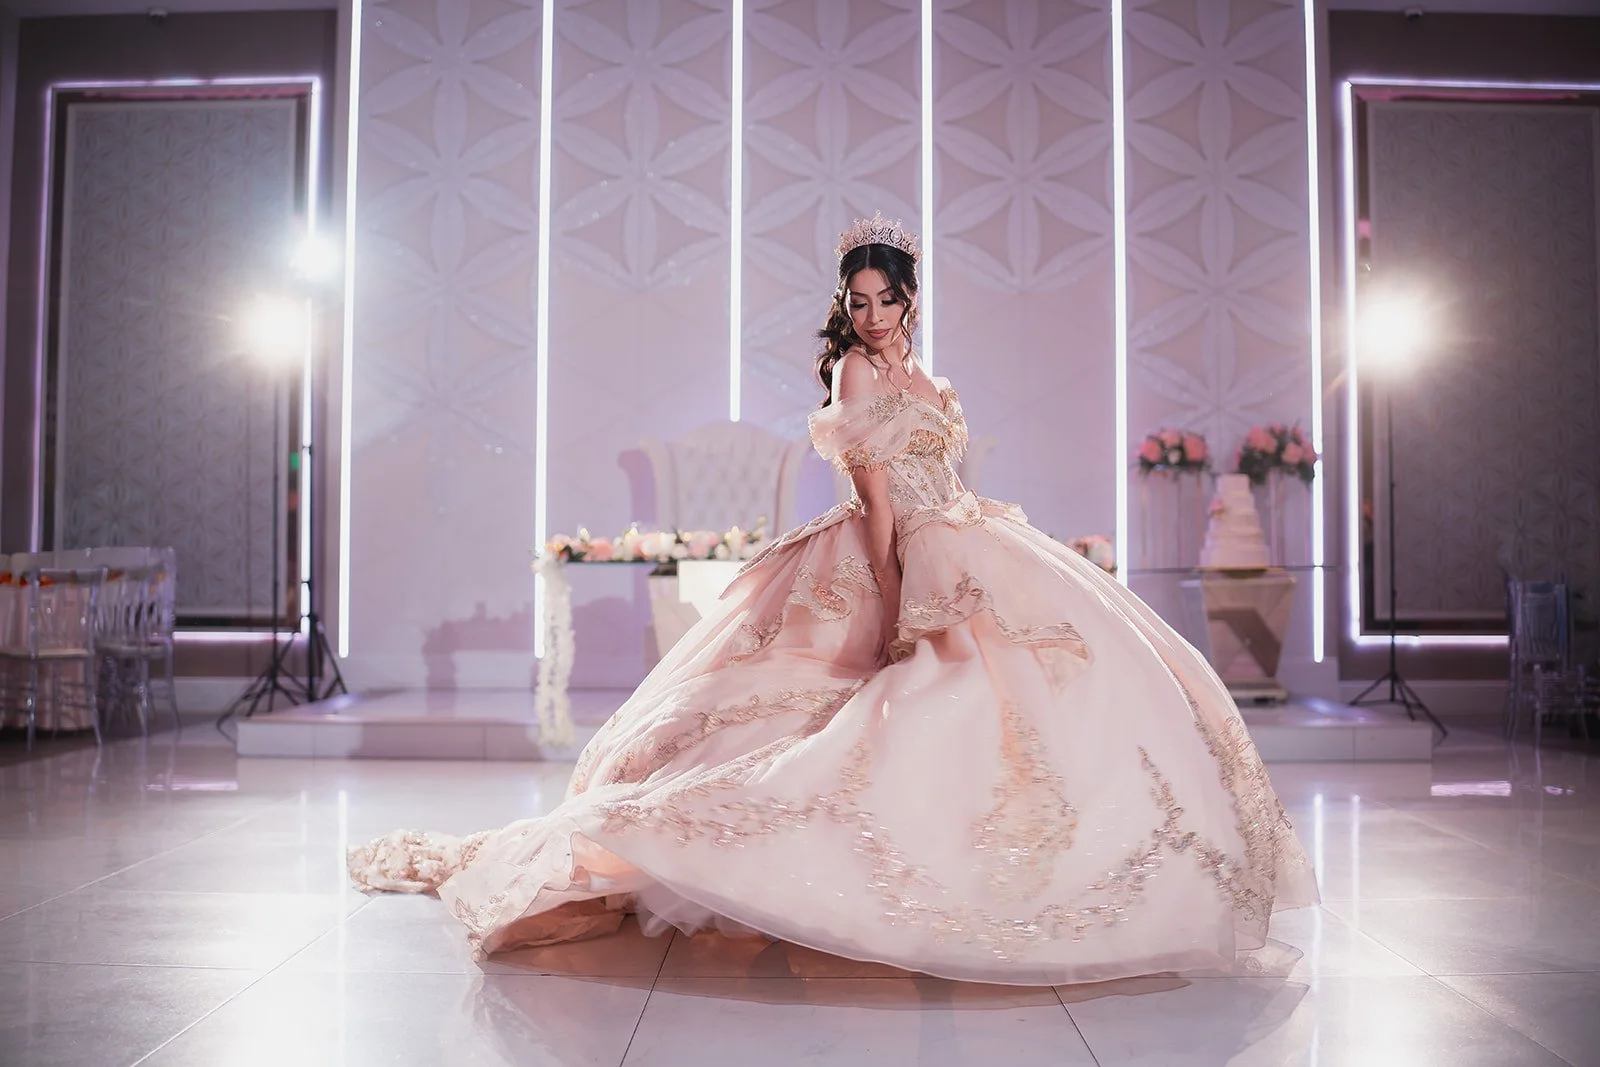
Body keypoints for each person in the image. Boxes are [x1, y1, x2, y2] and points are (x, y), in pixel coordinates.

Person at [349, 214, 1318, 986]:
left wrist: (972, 538)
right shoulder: (852, 370)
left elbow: (945, 474)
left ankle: (1027, 871)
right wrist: (897, 602)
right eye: (857, 301)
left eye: (885, 299)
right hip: (898, 548)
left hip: (970, 532)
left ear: (910, 299)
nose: (872, 315)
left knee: (1057, 686)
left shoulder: (928, 377)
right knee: (881, 705)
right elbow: (879, 504)